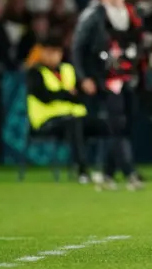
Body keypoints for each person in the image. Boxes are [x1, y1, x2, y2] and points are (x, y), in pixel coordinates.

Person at [72, 0, 145, 191]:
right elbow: (77, 47)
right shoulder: (92, 15)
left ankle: (106, 173)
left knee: (123, 125)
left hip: (128, 79)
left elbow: (138, 43)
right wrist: (83, 77)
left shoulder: (131, 14)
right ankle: (130, 172)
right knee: (117, 125)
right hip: (104, 80)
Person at [26, 34, 107, 182]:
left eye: (56, 52)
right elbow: (45, 96)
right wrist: (67, 93)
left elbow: (81, 95)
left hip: (74, 118)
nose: (53, 56)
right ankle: (82, 171)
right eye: (49, 52)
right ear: (42, 52)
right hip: (46, 122)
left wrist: (65, 94)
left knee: (105, 125)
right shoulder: (35, 73)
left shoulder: (68, 69)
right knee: (73, 124)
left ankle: (107, 170)